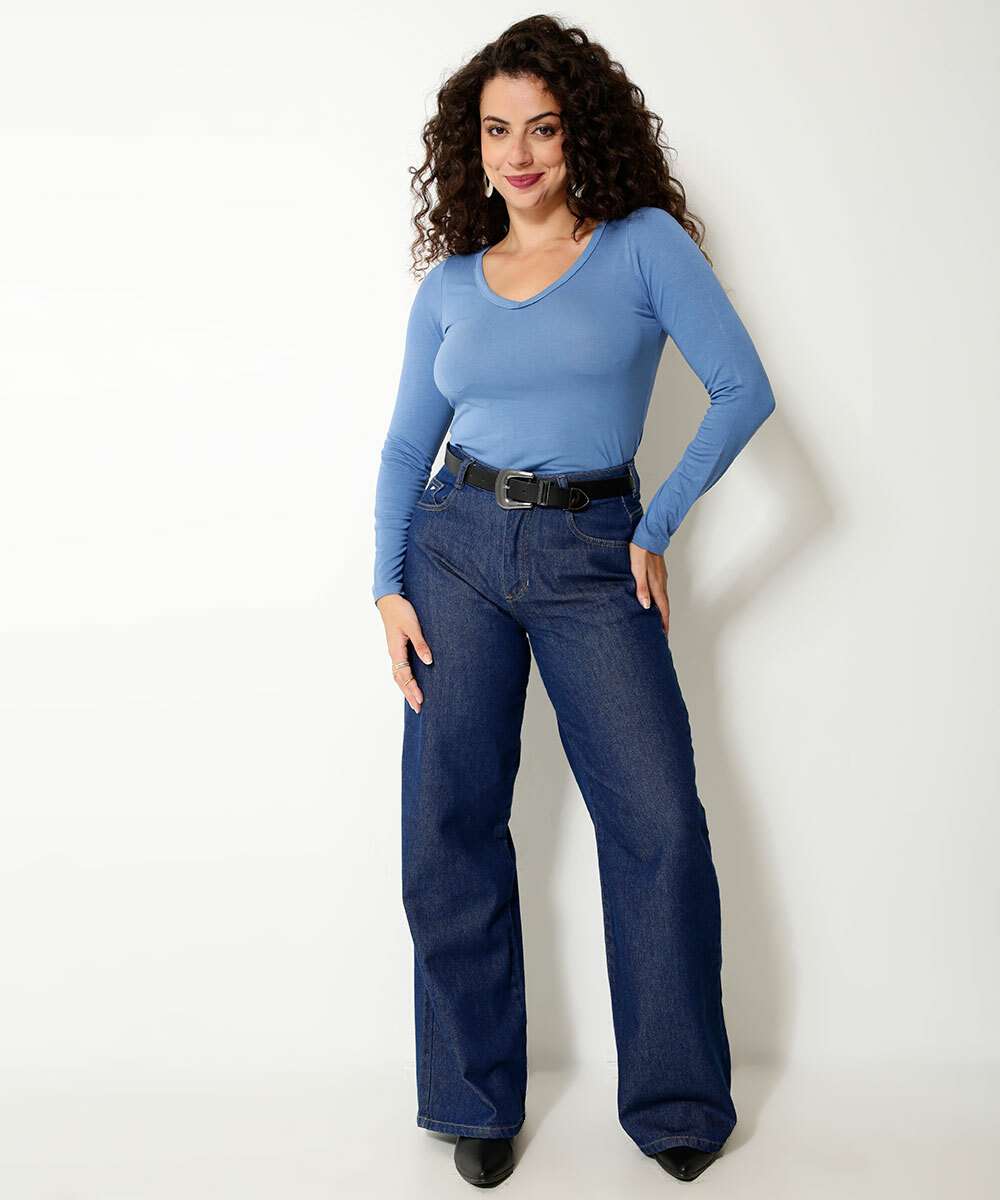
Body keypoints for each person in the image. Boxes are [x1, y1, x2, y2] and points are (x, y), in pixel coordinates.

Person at [372, 15, 775, 1188]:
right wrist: (385, 584)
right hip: (452, 549)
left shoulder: (641, 246)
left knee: (656, 820)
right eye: (497, 130)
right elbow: (404, 447)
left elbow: (741, 390)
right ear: (472, 147)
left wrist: (655, 526)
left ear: (577, 133)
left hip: (594, 549)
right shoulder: (450, 286)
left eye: (541, 128)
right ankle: (471, 1098)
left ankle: (676, 1101)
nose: (519, 154)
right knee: (446, 824)